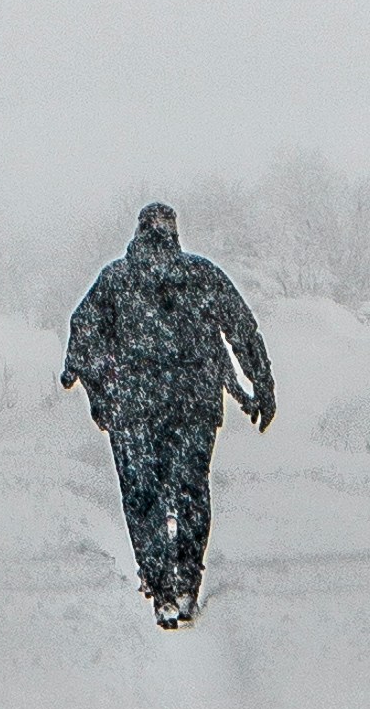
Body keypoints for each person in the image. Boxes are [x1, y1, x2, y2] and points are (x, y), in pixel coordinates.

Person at [62, 202, 274, 625]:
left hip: (135, 408)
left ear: (139, 233)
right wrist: (262, 383)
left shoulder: (116, 279)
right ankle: (188, 582)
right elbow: (242, 327)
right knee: (192, 490)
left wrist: (92, 385)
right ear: (175, 234)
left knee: (143, 496)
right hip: (194, 404)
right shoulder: (201, 275)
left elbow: (82, 331)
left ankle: (160, 584)